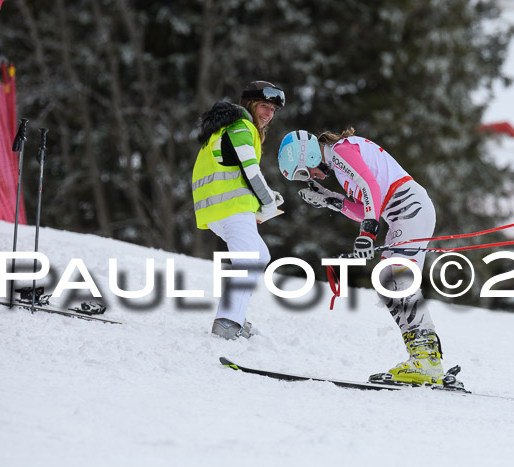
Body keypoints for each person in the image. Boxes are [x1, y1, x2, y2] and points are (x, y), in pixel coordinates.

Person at [277, 128, 450, 386]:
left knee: (396, 280)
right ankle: (424, 358)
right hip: (404, 212)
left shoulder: (340, 152)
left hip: (410, 209)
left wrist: (368, 232)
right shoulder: (339, 164)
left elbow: (370, 186)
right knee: (389, 282)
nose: (310, 177)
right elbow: (368, 205)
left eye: (304, 171)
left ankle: (427, 361)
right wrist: (331, 200)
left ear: (307, 155)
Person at [192, 81, 285, 340]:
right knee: (247, 260)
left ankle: (235, 318)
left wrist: (265, 198)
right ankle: (227, 322)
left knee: (259, 256)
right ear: (250, 104)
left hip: (219, 208)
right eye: (264, 106)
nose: (268, 114)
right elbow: (250, 170)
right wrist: (267, 203)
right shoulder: (242, 126)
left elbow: (234, 172)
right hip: (231, 207)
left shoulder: (226, 128)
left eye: (273, 110)